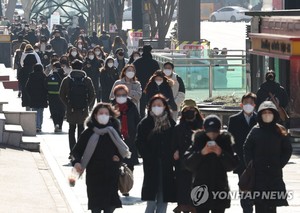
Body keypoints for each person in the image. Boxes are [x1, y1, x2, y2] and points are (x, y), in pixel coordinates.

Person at [71, 102, 131, 213]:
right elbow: (76, 151)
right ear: (95, 115)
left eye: (106, 113)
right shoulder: (88, 133)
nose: (103, 115)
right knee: (95, 208)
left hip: (111, 174)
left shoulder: (114, 132)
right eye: (101, 113)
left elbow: (122, 150)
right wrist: (77, 162)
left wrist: (118, 157)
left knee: (110, 207)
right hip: (94, 176)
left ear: (110, 115)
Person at [243, 101, 292, 213]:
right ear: (260, 115)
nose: (267, 114)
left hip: (274, 173)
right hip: (258, 174)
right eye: (264, 112)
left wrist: (280, 163)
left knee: (272, 204)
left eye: (270, 112)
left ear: (274, 114)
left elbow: (287, 149)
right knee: (260, 205)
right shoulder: (255, 130)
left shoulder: (280, 130)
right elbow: (247, 148)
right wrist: (251, 164)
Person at [184, 115, 238, 213]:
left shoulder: (225, 141)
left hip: (219, 188)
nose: (212, 135)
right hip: (201, 188)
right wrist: (201, 153)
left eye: (215, 132)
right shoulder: (198, 141)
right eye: (209, 132)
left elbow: (232, 165)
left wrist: (221, 153)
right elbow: (188, 164)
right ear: (204, 130)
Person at [135, 94, 176, 213]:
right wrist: (147, 156)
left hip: (166, 164)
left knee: (164, 196)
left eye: (159, 105)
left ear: (165, 107)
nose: (157, 107)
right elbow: (139, 142)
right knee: (151, 198)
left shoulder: (171, 123)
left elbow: (175, 142)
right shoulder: (145, 123)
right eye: (154, 105)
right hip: (151, 164)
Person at [227, 92, 257, 213]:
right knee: (244, 189)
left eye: (250, 103)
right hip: (241, 161)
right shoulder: (234, 119)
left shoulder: (260, 118)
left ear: (255, 105)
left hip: (257, 161)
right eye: (245, 103)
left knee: (258, 190)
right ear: (241, 104)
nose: (248, 105)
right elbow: (230, 140)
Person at [172, 99, 203, 213]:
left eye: (192, 109)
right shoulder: (178, 128)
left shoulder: (203, 127)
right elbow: (173, 144)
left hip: (199, 163)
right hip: (183, 163)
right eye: (187, 109)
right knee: (183, 188)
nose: (189, 111)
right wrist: (175, 151)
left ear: (196, 111)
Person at [59, 59, 96, 153]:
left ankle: (72, 150)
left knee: (71, 129)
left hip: (71, 109)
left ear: (72, 66)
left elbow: (61, 94)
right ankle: (80, 150)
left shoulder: (67, 79)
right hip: (83, 109)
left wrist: (67, 104)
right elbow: (92, 94)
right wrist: (87, 104)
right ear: (82, 67)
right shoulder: (87, 79)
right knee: (81, 129)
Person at [111, 85, 140, 193]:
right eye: (118, 95)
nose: (121, 97)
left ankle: (126, 186)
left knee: (130, 165)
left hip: (130, 140)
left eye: (123, 95)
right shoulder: (111, 107)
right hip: (115, 141)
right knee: (115, 164)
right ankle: (115, 186)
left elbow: (138, 122)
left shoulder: (132, 106)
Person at [134, 45, 160, 118]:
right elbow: (158, 74)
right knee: (151, 105)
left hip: (140, 85)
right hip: (152, 86)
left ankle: (142, 120)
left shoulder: (137, 62)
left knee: (141, 107)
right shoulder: (154, 63)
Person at [25, 64, 48, 132]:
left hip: (34, 97)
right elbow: (46, 87)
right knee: (40, 112)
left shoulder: (31, 76)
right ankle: (39, 125)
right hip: (42, 97)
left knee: (34, 111)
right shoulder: (44, 76)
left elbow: (27, 87)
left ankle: (35, 125)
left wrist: (30, 95)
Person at [46, 62, 66, 132]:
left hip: (52, 97)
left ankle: (55, 124)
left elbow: (46, 87)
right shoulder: (64, 76)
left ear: (53, 68)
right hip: (62, 97)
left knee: (53, 111)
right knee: (61, 111)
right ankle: (60, 126)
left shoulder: (50, 76)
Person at [19, 44, 40, 109]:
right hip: (35, 96)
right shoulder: (36, 70)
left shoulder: (23, 69)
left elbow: (21, 63)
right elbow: (39, 62)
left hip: (26, 91)